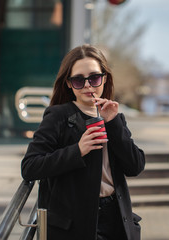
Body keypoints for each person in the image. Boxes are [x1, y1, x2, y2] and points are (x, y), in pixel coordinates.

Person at [21, 44, 145, 240]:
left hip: (116, 220)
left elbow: (135, 166)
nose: (88, 85)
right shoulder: (58, 116)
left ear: (104, 78)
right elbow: (30, 166)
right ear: (69, 84)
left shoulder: (112, 116)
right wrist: (77, 150)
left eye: (94, 78)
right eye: (79, 80)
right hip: (74, 225)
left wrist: (113, 123)